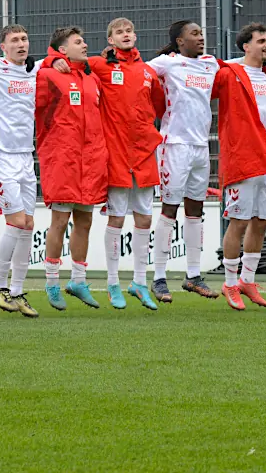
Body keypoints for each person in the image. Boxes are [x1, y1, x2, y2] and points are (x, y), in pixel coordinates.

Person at [87, 18, 164, 311]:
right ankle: (112, 282)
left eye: (129, 30)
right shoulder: (100, 65)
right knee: (117, 218)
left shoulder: (147, 71)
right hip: (116, 153)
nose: (125, 35)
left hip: (144, 153)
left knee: (144, 218)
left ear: (136, 35)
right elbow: (68, 64)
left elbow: (158, 106)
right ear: (110, 40)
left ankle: (139, 282)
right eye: (119, 32)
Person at [213, 23, 266, 310]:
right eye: (260, 41)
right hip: (241, 160)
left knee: (260, 222)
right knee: (239, 222)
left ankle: (247, 280)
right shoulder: (229, 74)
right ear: (246, 46)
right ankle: (230, 283)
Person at [146, 21, 220, 302]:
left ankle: (192, 275)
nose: (201, 37)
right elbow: (137, 74)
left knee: (195, 210)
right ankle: (159, 277)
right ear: (179, 40)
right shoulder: (167, 63)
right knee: (169, 208)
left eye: (202, 32)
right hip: (173, 145)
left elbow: (237, 68)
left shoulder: (210, 64)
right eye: (195, 33)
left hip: (201, 146)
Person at [35, 27, 108, 310]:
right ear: (62, 49)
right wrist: (49, 59)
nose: (85, 44)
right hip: (62, 159)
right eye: (78, 42)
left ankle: (78, 280)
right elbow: (24, 102)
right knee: (60, 222)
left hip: (90, 160)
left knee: (85, 222)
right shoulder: (48, 74)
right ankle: (52, 282)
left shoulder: (91, 78)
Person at [0, 25, 40, 318]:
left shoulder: (35, 71)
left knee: (28, 224)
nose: (21, 44)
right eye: (14, 40)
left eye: (24, 39)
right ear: (3, 46)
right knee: (16, 221)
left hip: (25, 157)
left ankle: (17, 291)